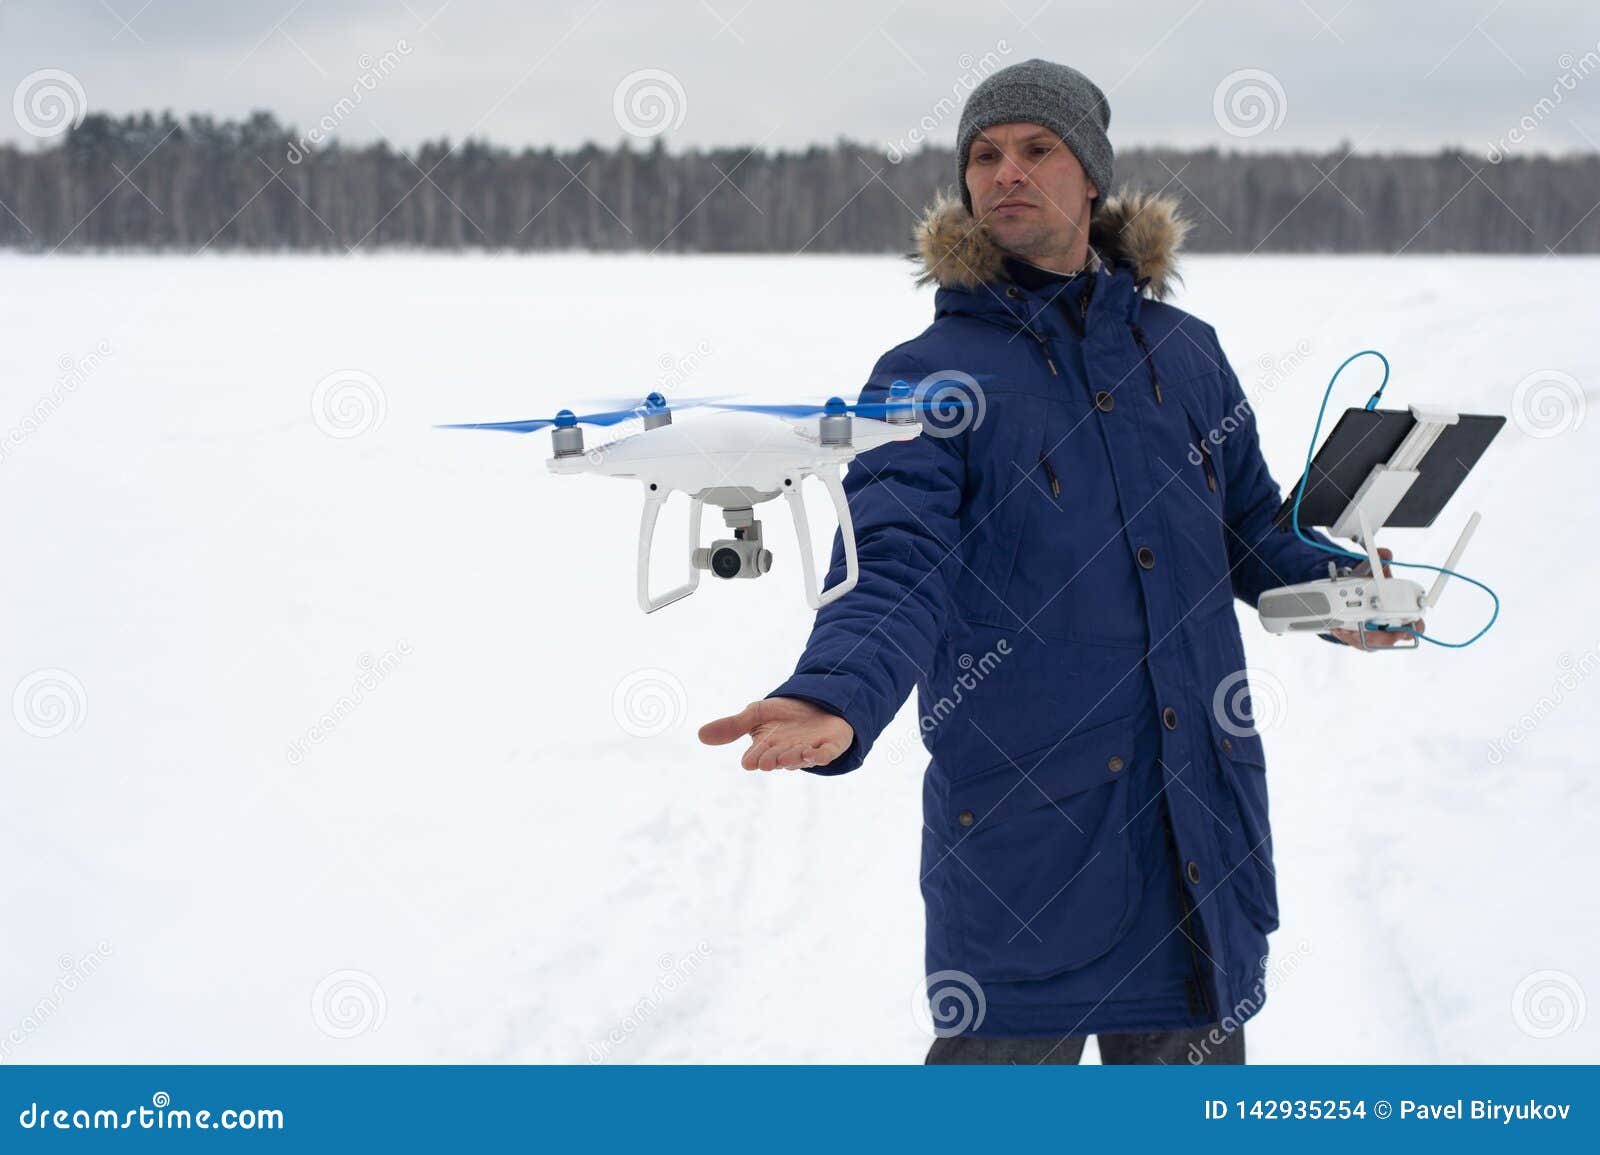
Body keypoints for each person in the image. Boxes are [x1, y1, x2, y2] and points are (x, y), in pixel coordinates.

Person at [698, 59, 1418, 1064]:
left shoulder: (1187, 356)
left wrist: (1341, 595)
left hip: (1192, 837)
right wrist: (838, 692)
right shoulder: (925, 377)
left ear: (1092, 178)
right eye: (983, 156)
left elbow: (1249, 532)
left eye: (1037, 149)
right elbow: (896, 555)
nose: (1006, 173)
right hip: (1025, 837)